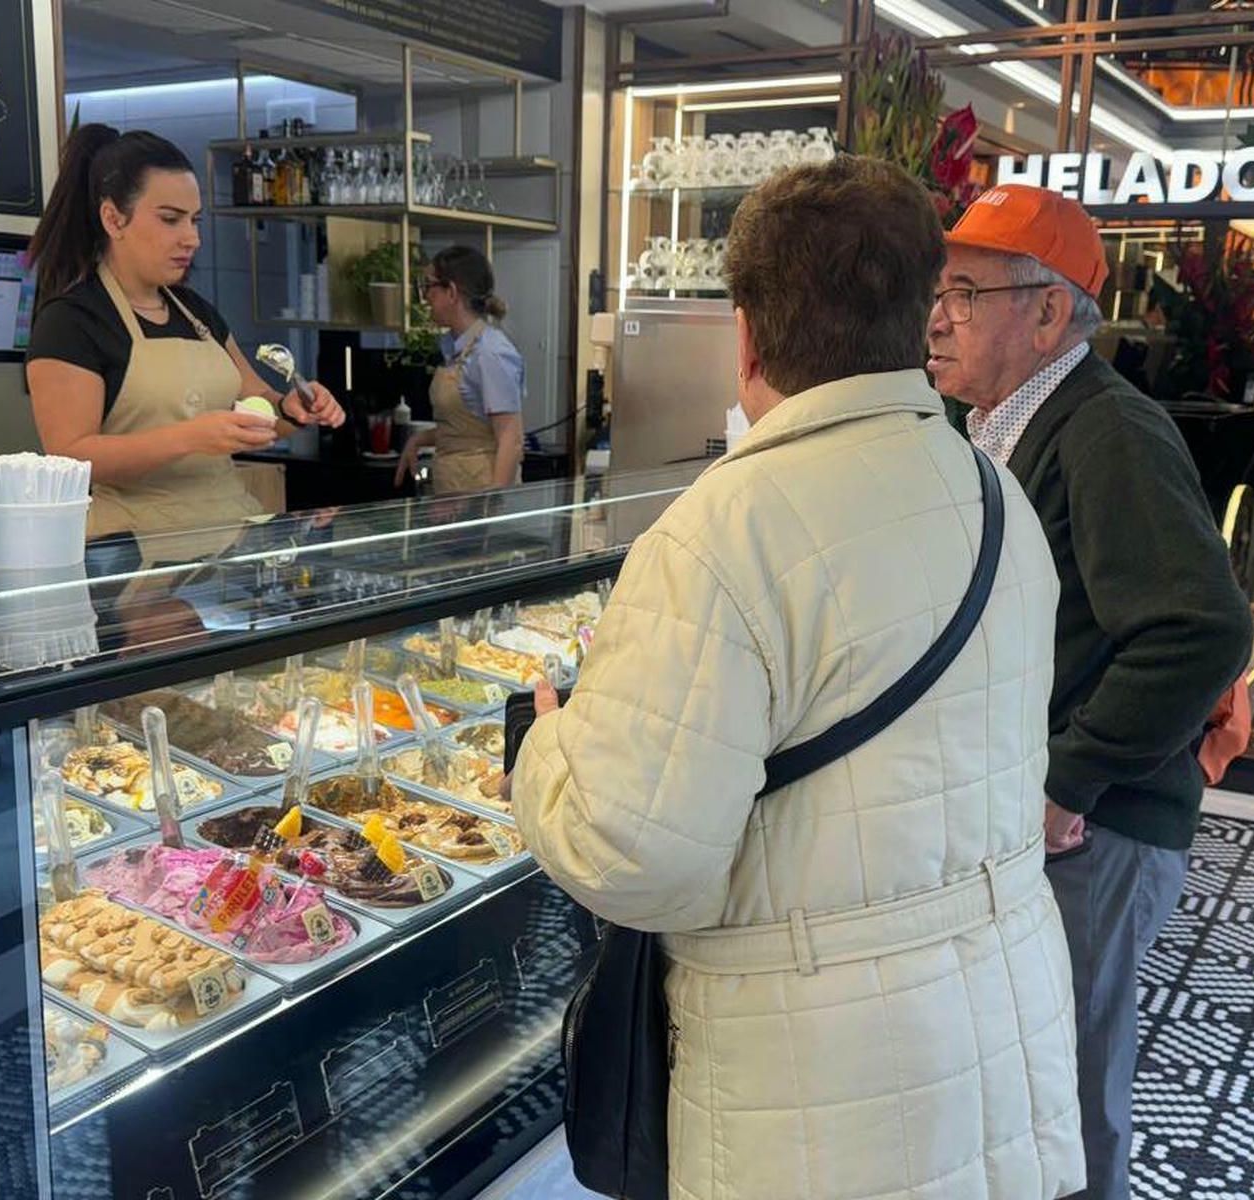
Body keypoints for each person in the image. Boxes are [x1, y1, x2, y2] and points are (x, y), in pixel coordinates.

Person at [512, 157, 1083, 1199]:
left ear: (745, 335)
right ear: (921, 315)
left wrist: (544, 748)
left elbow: (637, 861)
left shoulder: (717, 535)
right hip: (1002, 1017)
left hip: (818, 1081)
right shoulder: (993, 494)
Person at [926, 184, 1254, 1200]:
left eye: (964, 293)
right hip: (1040, 819)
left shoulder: (1107, 428)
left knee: (1063, 1090)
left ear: (1046, 314)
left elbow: (1199, 629)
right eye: (937, 292)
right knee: (1018, 1077)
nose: (936, 318)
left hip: (1097, 828)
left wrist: (1070, 780)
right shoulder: (992, 423)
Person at [25, 124, 343, 563]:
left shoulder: (197, 313)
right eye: (170, 219)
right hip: (130, 559)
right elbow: (71, 457)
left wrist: (292, 408)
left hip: (227, 547)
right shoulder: (71, 321)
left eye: (194, 221)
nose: (191, 238)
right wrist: (189, 437)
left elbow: (260, 408)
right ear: (113, 218)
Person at [393, 246, 525, 494]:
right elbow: (465, 431)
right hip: (453, 495)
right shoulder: (454, 349)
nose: (425, 297)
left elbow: (511, 439)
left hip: (481, 498)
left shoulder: (490, 353)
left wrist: (493, 504)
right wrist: (418, 439)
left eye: (429, 286)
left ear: (451, 292)